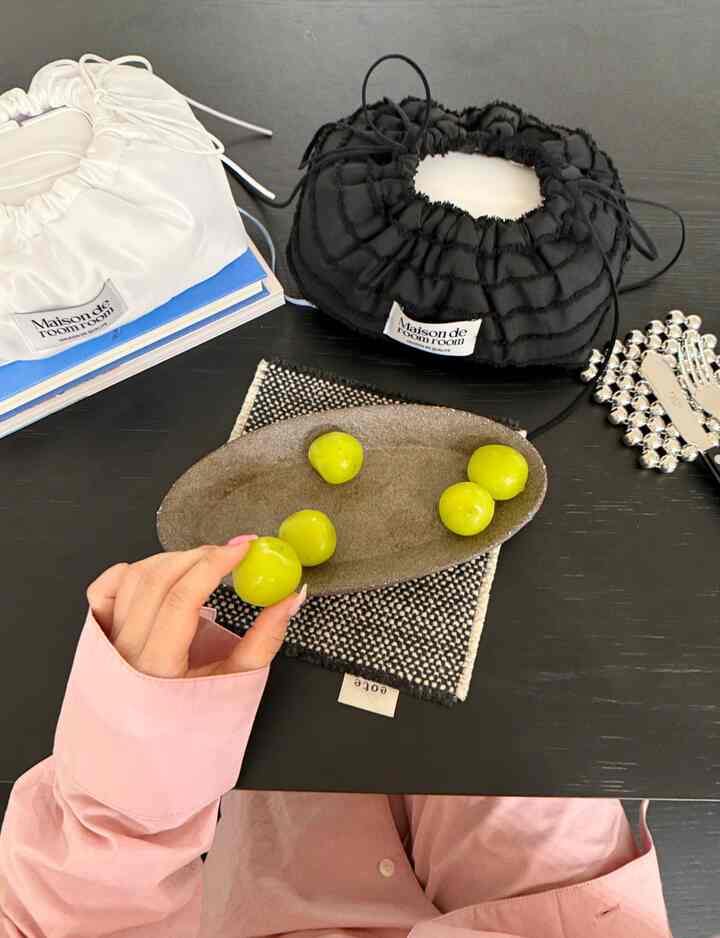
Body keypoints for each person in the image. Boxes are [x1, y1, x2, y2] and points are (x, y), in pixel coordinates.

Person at [0, 538, 673, 937]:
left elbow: (46, 923)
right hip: (544, 911)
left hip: (267, 893)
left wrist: (125, 796)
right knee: (516, 707)